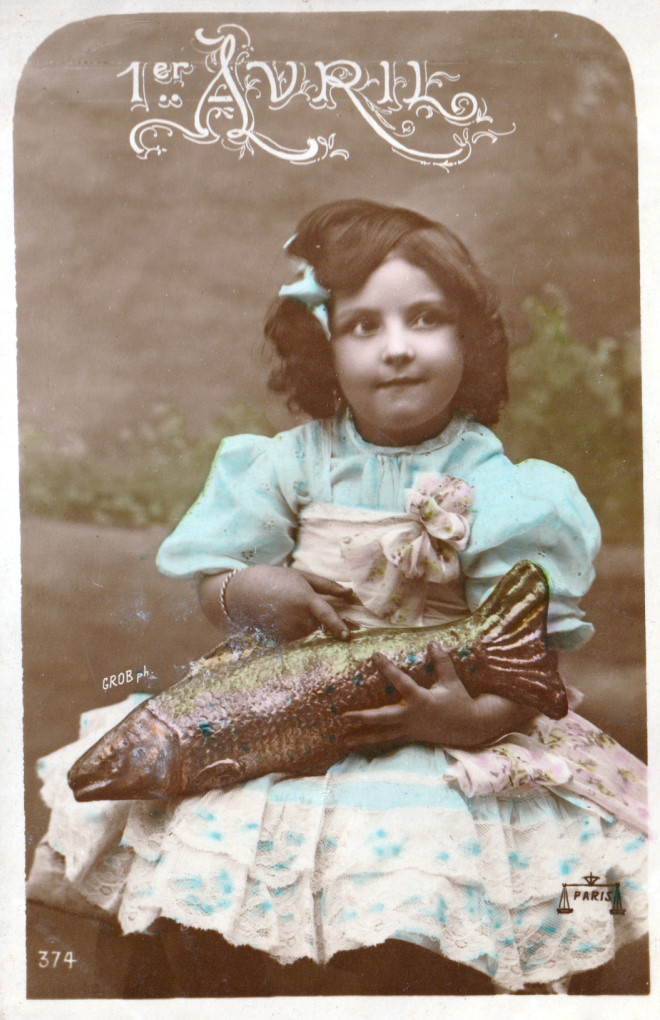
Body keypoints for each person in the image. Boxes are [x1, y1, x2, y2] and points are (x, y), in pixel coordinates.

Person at [29, 199, 647, 995]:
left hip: (442, 729)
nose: (397, 348)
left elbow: (528, 659)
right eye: (362, 326)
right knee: (198, 859)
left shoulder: (506, 491)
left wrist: (466, 721)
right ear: (322, 348)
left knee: (432, 891)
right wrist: (251, 589)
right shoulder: (288, 463)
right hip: (275, 719)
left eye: (426, 319)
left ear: (469, 339)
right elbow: (213, 588)